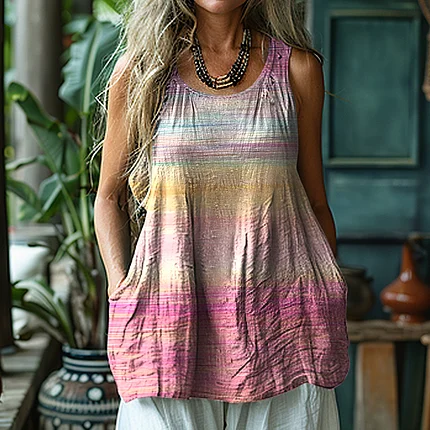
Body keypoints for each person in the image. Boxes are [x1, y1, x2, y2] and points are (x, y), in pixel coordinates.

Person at [94, 0, 350, 429]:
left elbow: (315, 203)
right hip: (168, 325)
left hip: (282, 324)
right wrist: (121, 290)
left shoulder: (297, 70)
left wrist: (324, 289)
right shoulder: (142, 72)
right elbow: (108, 197)